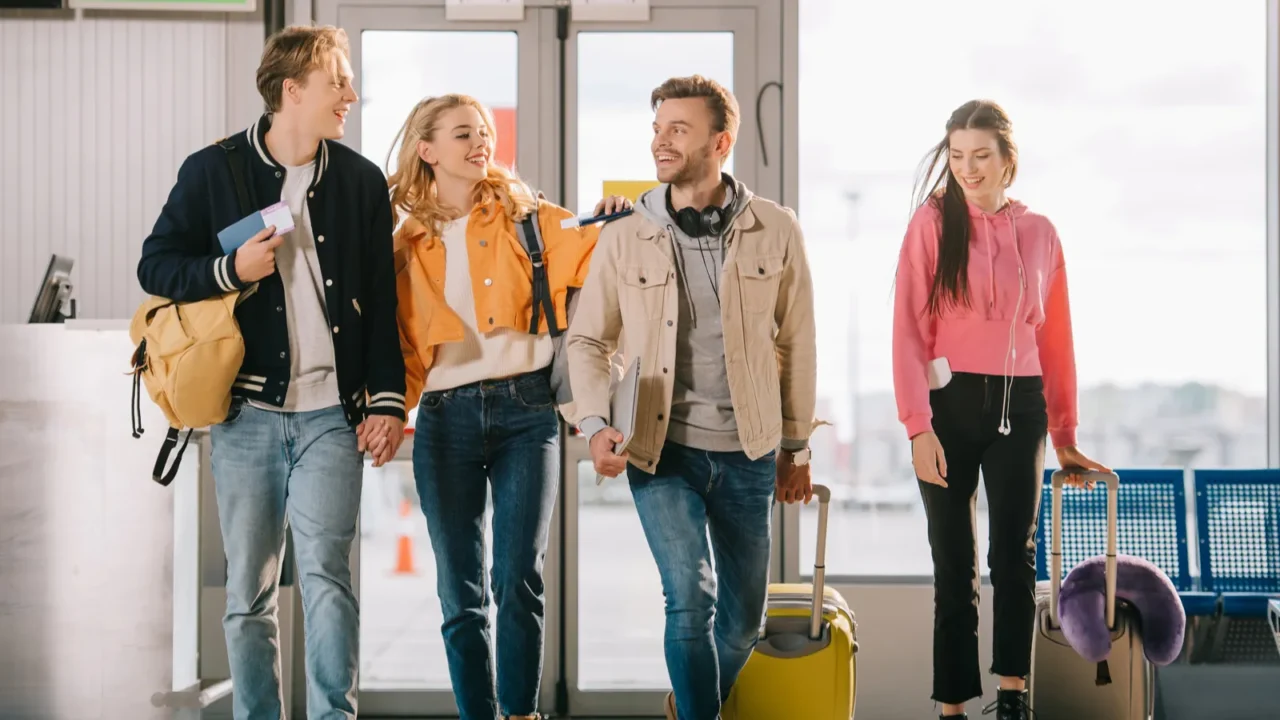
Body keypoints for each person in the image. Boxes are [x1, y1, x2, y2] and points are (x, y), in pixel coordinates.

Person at [136, 25, 406, 720]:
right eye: (336, 81)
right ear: (293, 90)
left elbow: (381, 302)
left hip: (331, 417)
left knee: (327, 581)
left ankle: (331, 715)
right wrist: (229, 270)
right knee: (248, 595)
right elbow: (156, 264)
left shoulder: (360, 180)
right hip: (246, 416)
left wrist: (387, 403)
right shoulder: (213, 170)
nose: (350, 94)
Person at [566, 75, 819, 720]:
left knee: (740, 623)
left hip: (750, 449)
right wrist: (595, 422)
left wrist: (797, 448)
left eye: (678, 129)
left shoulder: (776, 228)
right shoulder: (624, 236)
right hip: (661, 449)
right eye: (657, 129)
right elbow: (590, 339)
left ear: (721, 140)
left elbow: (796, 343)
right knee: (689, 596)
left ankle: (689, 702)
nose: (661, 141)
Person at [386, 93, 629, 720]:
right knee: (459, 591)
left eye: (485, 132)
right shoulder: (406, 242)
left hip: (528, 414)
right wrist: (385, 411)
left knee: (518, 576)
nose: (480, 143)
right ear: (427, 150)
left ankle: (520, 713)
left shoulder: (532, 217)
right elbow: (404, 346)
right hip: (443, 419)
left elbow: (602, 269)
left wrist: (613, 220)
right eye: (463, 134)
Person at [892, 99, 1111, 720]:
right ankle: (954, 706)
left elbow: (1057, 338)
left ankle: (1013, 697)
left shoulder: (1040, 232)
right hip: (946, 408)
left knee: (1014, 557)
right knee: (953, 564)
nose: (968, 168)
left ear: (1007, 160)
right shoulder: (932, 222)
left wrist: (1065, 431)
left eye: (981, 156)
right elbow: (908, 328)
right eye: (957, 156)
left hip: (1023, 408)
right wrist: (917, 426)